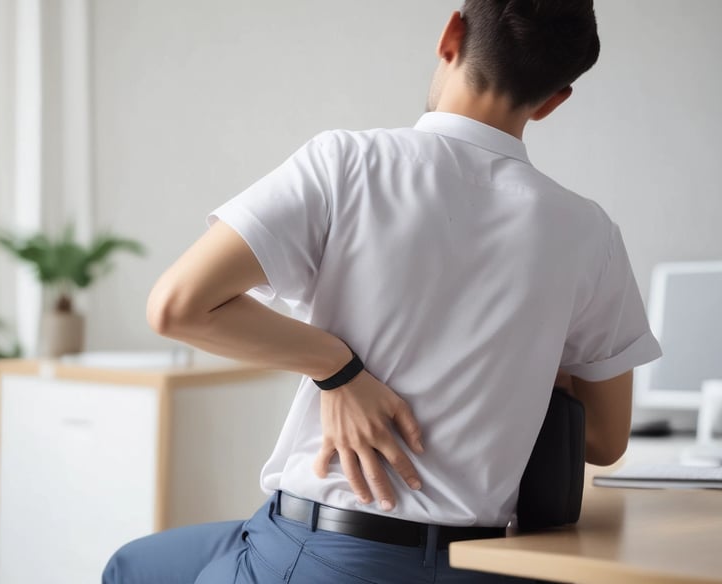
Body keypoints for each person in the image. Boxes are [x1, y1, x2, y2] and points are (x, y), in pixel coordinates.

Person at [103, 1, 662, 582]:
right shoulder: (589, 232)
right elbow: (603, 439)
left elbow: (177, 307)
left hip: (323, 549)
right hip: (480, 563)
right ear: (554, 100)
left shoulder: (349, 163)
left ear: (452, 34)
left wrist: (338, 369)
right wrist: (528, 354)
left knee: (129, 567)